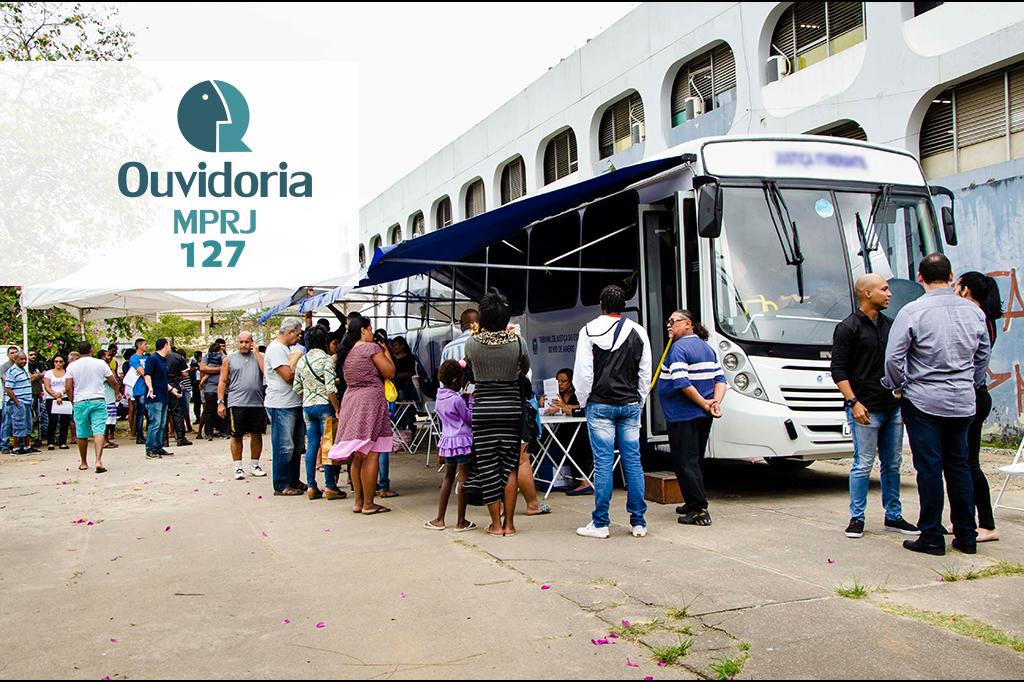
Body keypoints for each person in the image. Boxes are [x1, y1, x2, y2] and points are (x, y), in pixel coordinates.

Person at [884, 253, 990, 556]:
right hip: (963, 401)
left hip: (924, 401)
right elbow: (983, 355)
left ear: (920, 277)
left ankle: (931, 535)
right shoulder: (974, 312)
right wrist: (970, 382)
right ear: (951, 276)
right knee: (959, 466)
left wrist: (898, 386)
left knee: (929, 468)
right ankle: (966, 536)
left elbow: (893, 358)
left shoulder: (912, 311)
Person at [831, 274, 920, 539]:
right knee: (863, 464)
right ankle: (857, 518)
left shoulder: (890, 325)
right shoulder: (847, 327)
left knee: (892, 464)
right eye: (884, 289)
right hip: (865, 408)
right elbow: (838, 369)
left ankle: (893, 515)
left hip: (892, 405)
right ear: (867, 293)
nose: (889, 293)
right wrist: (853, 402)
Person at [573, 284, 652, 539]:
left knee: (603, 463)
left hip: (600, 404)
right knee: (633, 462)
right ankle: (638, 522)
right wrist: (640, 400)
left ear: (601, 304)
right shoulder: (638, 331)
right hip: (630, 404)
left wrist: (584, 401)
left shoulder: (588, 330)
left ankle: (600, 523)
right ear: (624, 305)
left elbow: (584, 373)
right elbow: (645, 373)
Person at [462, 289, 528, 537]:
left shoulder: (472, 344)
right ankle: (510, 524)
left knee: (488, 467)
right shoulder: (518, 342)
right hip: (511, 409)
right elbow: (525, 368)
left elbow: (470, 369)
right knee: (509, 467)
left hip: (484, 411)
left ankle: (496, 525)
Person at [658, 310, 727, 526]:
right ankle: (691, 501)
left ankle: (698, 509)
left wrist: (705, 403)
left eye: (673, 321)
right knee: (694, 460)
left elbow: (682, 383)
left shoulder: (679, 348)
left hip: (682, 415)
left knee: (684, 462)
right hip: (702, 415)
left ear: (687, 324)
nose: (669, 325)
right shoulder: (707, 348)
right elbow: (720, 380)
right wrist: (715, 403)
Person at [328, 314, 395, 513]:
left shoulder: (345, 351)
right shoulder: (370, 348)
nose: (372, 333)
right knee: (371, 453)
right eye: (370, 329)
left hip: (351, 400)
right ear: (363, 330)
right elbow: (389, 372)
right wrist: (385, 351)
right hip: (370, 401)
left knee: (357, 455)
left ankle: (358, 502)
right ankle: (368, 504)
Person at [955, 271, 1004, 543]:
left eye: (956, 286)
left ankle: (987, 524)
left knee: (969, 462)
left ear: (965, 290)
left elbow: (977, 362)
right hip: (975, 394)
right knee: (960, 461)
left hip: (974, 396)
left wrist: (967, 387)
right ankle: (964, 521)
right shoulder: (983, 317)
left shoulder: (977, 319)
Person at [292, 325, 344, 499]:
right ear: (324, 341)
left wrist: (310, 393)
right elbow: (330, 389)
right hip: (325, 406)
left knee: (312, 445)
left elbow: (296, 387)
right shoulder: (326, 360)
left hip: (307, 407)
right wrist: (337, 408)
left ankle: (311, 486)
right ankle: (330, 486)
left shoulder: (302, 361)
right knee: (328, 445)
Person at [425, 360, 475, 531]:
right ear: (455, 380)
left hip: (447, 441)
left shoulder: (439, 397)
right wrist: (469, 400)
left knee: (448, 477)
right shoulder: (457, 399)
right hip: (462, 441)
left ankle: (440, 518)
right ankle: (461, 521)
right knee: (463, 478)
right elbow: (469, 419)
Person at [218, 332, 268, 481]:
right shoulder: (229, 359)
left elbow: (266, 372)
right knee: (236, 435)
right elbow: (222, 381)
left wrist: (257, 353)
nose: (244, 345)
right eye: (241, 342)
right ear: (237, 342)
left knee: (257, 434)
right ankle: (238, 467)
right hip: (237, 402)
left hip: (257, 402)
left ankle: (255, 465)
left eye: (247, 342)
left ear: (252, 342)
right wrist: (220, 402)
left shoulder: (260, 357)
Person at [65, 341, 122, 473]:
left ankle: (83, 462)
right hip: (98, 399)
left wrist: (72, 400)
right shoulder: (100, 363)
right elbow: (113, 381)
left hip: (80, 401)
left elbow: (68, 387)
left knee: (81, 433)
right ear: (91, 350)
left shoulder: (72, 366)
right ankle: (98, 460)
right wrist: (117, 392)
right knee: (99, 430)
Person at [265, 318, 307, 496]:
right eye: (297, 334)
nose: (299, 338)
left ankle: (293, 479)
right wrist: (297, 359)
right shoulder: (276, 349)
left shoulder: (287, 349)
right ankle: (281, 484)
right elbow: (288, 376)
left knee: (297, 446)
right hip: (281, 404)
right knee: (284, 446)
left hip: (294, 402)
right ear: (289, 332)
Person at [143, 339, 179, 459]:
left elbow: (162, 380)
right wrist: (150, 388)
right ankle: (150, 449)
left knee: (162, 424)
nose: (170, 347)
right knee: (155, 423)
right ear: (165, 345)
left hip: (163, 396)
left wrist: (172, 390)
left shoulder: (163, 360)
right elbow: (147, 375)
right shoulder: (152, 359)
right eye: (169, 344)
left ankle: (158, 447)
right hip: (154, 396)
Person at [4, 352, 36, 455]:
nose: (24, 361)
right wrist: (17, 402)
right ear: (15, 359)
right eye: (21, 359)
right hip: (18, 403)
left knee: (28, 425)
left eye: (25, 359)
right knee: (18, 425)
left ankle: (27, 447)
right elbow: (8, 389)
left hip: (27, 402)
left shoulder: (23, 370)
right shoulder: (12, 371)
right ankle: (16, 448)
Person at [390, 335, 419, 445]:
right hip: (395, 389)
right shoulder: (393, 359)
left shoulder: (409, 357)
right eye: (393, 346)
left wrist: (396, 377)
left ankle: (411, 436)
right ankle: (399, 438)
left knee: (408, 413)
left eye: (396, 345)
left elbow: (411, 372)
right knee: (397, 414)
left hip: (406, 388)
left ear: (402, 345)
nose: (394, 348)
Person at [165, 345, 192, 447]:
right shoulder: (178, 357)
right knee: (177, 412)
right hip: (175, 384)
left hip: (162, 387)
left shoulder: (157, 358)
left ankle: (164, 439)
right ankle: (180, 437)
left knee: (164, 413)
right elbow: (185, 373)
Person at [200, 340, 227, 440]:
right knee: (210, 411)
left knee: (221, 410)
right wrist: (221, 369)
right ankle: (211, 432)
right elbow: (202, 368)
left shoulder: (210, 356)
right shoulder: (208, 356)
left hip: (222, 388)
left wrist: (210, 370)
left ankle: (219, 431)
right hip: (210, 388)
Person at [43, 355, 71, 450]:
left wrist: (61, 394)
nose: (58, 363)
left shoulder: (67, 373)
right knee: (53, 420)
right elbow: (47, 386)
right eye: (56, 361)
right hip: (51, 398)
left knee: (64, 421)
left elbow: (68, 386)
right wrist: (55, 396)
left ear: (64, 362)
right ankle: (50, 442)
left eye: (60, 361)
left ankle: (62, 442)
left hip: (65, 398)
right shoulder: (49, 373)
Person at [128, 339, 150, 445]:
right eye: (145, 344)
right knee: (140, 412)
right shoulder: (134, 358)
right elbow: (142, 372)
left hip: (148, 388)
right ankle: (139, 435)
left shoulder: (147, 357)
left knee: (149, 413)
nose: (146, 346)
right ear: (139, 345)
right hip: (139, 388)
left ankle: (149, 434)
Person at [97, 349, 119, 450]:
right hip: (106, 397)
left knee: (110, 420)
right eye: (107, 355)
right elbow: (113, 381)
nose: (110, 357)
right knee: (106, 420)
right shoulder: (103, 367)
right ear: (102, 357)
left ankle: (106, 439)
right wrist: (117, 391)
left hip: (109, 396)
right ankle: (104, 441)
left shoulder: (106, 367)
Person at [0, 345, 19, 453]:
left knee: (19, 422)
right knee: (6, 422)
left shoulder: (21, 366)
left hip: (19, 396)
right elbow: (6, 381)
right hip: (8, 397)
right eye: (12, 353)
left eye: (16, 352)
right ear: (7, 355)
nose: (14, 354)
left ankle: (19, 444)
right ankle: (4, 445)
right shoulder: (4, 367)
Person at [27, 350, 46, 448]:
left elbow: (44, 374)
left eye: (34, 354)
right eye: (31, 354)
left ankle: (38, 438)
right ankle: (30, 438)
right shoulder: (26, 366)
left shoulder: (38, 364)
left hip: (38, 393)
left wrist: (37, 376)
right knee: (31, 416)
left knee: (39, 416)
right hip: (29, 394)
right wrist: (38, 376)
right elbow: (30, 378)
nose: (33, 356)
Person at [190, 350, 203, 428]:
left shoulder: (204, 363)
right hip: (195, 383)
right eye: (196, 357)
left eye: (198, 357)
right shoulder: (193, 365)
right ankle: (197, 417)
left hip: (202, 382)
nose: (198, 358)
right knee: (196, 402)